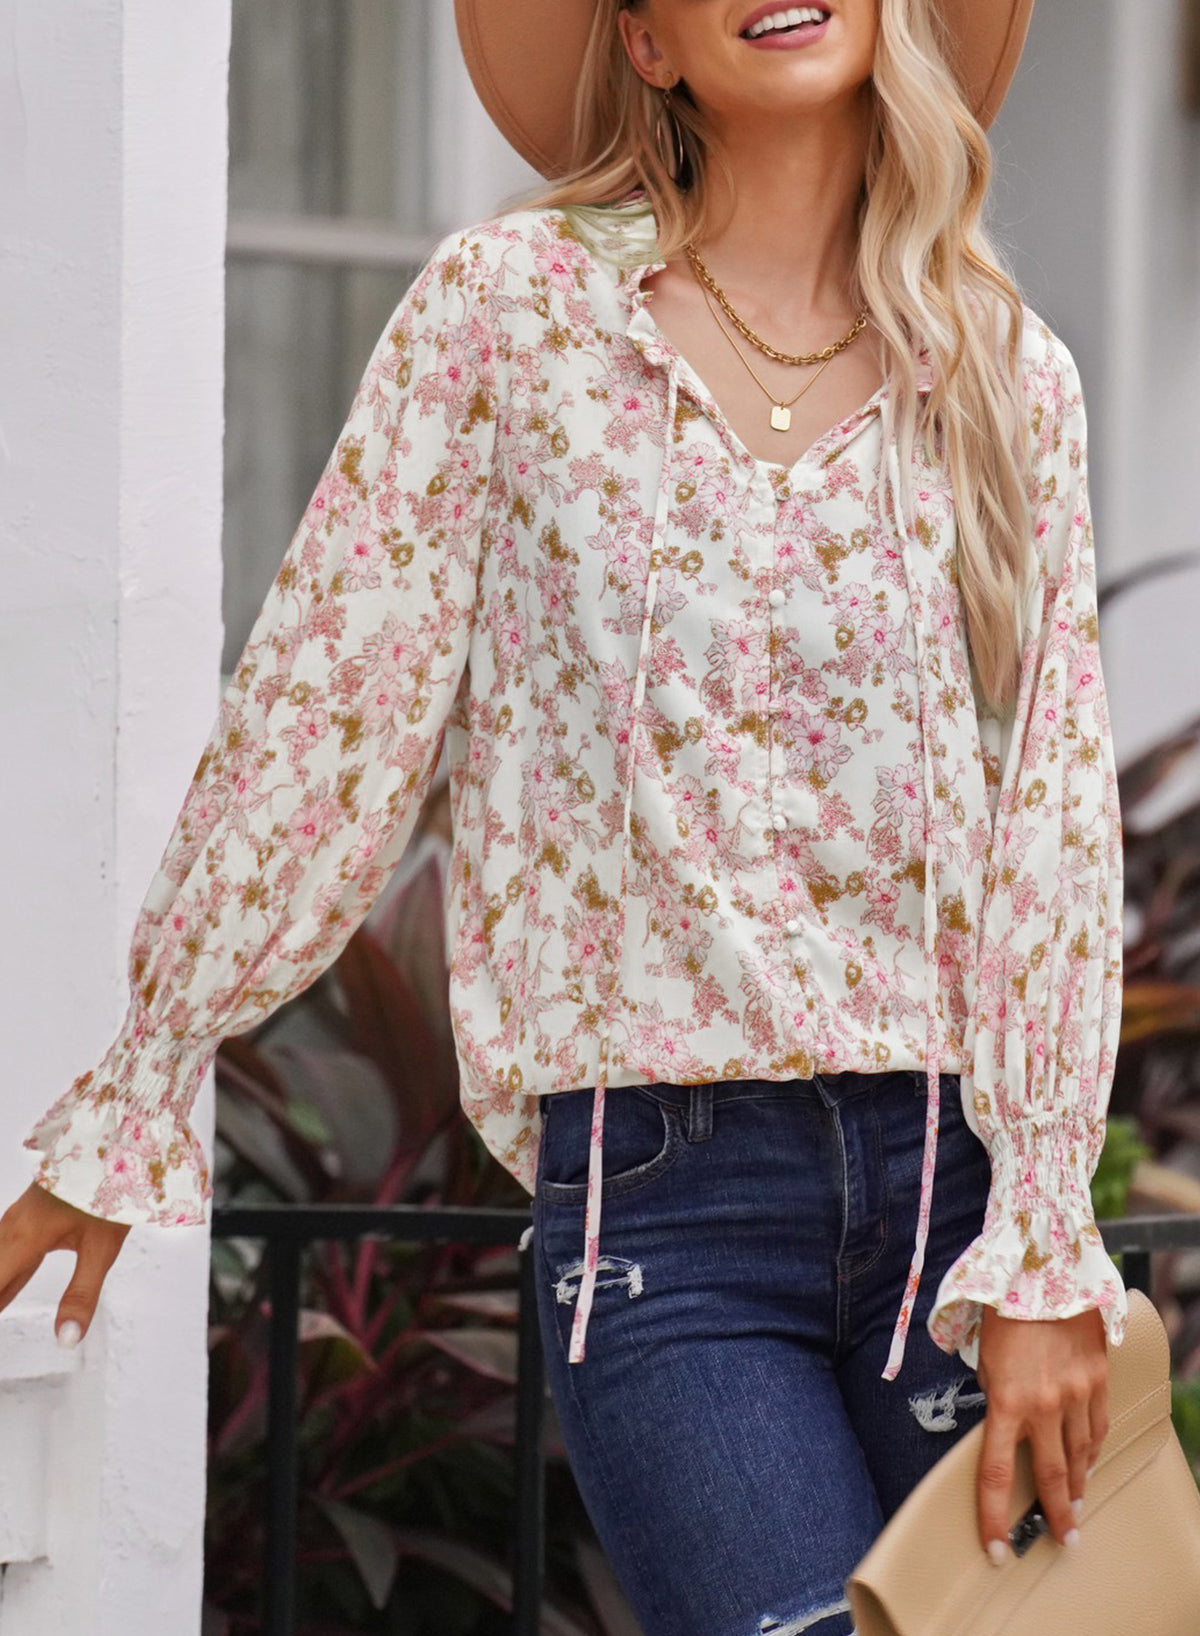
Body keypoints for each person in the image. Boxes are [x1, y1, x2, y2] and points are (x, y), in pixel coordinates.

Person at [1, 1, 1127, 1630]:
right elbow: (331, 704)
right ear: (650, 44)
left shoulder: (1003, 369)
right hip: (666, 1206)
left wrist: (1044, 1236)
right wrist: (146, 1078)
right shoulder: (510, 317)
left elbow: (1057, 812)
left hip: (958, 1199)